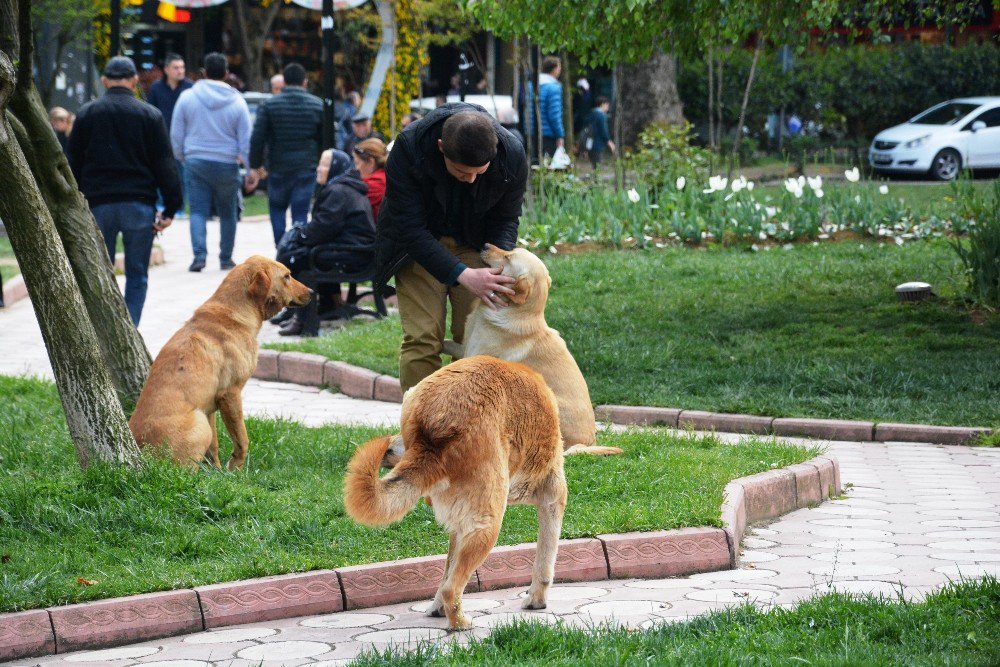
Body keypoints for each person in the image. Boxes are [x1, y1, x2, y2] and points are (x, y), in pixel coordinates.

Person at [374, 102, 528, 391]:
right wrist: (462, 274)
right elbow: (408, 228)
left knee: (474, 338)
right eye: (461, 172)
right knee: (423, 337)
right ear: (441, 147)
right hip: (419, 247)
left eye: (479, 173)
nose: (470, 179)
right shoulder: (409, 148)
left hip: (477, 245)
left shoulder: (511, 154)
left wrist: (496, 263)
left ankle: (468, 422)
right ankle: (417, 426)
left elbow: (507, 218)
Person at [67, 56, 181, 326]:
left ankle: (104, 328)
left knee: (99, 273)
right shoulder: (150, 115)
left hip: (97, 206)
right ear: (133, 81)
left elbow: (70, 163)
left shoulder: (86, 114)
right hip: (139, 205)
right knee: (138, 274)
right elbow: (165, 164)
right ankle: (130, 329)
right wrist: (171, 208)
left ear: (105, 81)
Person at [276, 149, 375, 336]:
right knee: (300, 252)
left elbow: (323, 227)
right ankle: (307, 309)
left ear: (335, 167)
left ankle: (303, 320)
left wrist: (301, 236)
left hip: (355, 255)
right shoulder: (340, 187)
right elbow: (324, 227)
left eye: (324, 165)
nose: (319, 169)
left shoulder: (338, 190)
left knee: (300, 258)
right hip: (355, 250)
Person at [171, 52, 254, 272]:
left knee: (197, 210)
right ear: (226, 74)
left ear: (204, 73)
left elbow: (176, 134)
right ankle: (226, 258)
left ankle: (199, 257)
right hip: (227, 164)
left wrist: (183, 156)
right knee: (228, 212)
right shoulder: (237, 101)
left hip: (195, 161)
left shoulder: (188, 97)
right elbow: (245, 140)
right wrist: (249, 168)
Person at [249, 62, 323, 247]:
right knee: (300, 211)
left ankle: (280, 247)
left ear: (284, 82)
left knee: (277, 208)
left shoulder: (269, 105)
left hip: (278, 167)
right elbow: (325, 138)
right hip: (306, 166)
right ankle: (296, 248)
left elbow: (258, 137)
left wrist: (255, 165)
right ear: (304, 82)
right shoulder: (317, 105)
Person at [147, 53, 194, 214]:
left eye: (182, 67)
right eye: (176, 67)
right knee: (161, 172)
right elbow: (150, 112)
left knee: (182, 174)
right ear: (166, 69)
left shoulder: (189, 88)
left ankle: (180, 206)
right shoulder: (156, 88)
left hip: (184, 139)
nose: (180, 71)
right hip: (162, 137)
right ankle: (162, 205)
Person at [351, 137, 387, 220]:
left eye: (357, 163)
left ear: (370, 162)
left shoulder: (375, 184)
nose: (356, 169)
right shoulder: (384, 176)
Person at [537, 55, 564, 158]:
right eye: (559, 67)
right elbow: (554, 115)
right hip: (548, 134)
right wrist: (559, 135)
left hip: (532, 133)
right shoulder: (553, 87)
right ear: (554, 69)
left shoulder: (533, 84)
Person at [586, 96, 615, 170]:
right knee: (597, 166)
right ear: (602, 104)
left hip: (589, 143)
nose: (607, 108)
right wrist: (609, 142)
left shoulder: (591, 113)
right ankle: (596, 181)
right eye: (607, 105)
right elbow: (603, 131)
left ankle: (595, 180)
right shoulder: (601, 115)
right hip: (598, 143)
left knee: (594, 165)